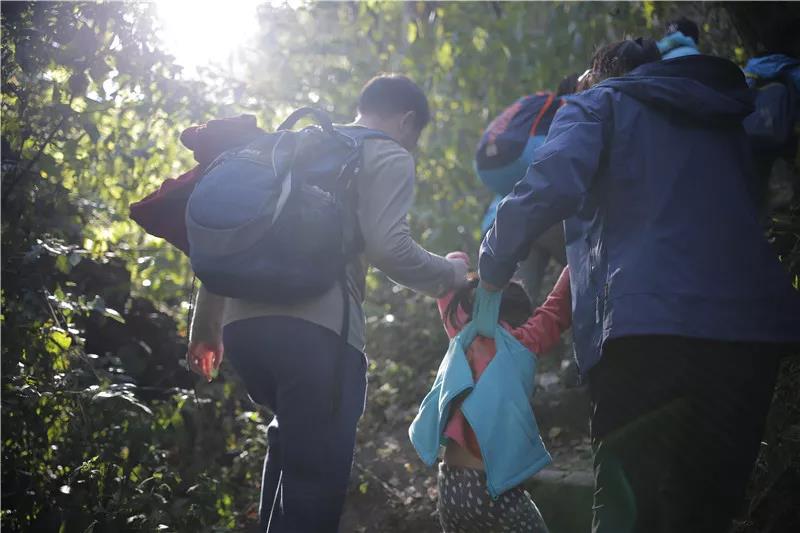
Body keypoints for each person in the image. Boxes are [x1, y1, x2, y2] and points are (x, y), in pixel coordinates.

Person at [478, 38, 800, 533]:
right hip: (747, 333)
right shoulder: (727, 113)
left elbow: (550, 184)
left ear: (600, 74)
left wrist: (493, 262)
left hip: (646, 330)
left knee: (627, 514)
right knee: (706, 511)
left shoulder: (599, 102)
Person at [187, 74, 469, 532]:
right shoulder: (386, 152)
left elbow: (236, 233)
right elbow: (387, 247)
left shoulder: (293, 146)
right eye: (415, 137)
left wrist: (206, 326)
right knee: (314, 489)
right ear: (407, 121)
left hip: (243, 333)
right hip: (317, 335)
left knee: (289, 448)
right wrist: (451, 276)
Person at [411, 253, 571, 533]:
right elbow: (558, 308)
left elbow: (447, 292)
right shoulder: (523, 342)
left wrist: (458, 261)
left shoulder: (461, 336)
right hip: (491, 488)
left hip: (448, 486)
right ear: (520, 318)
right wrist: (581, 257)